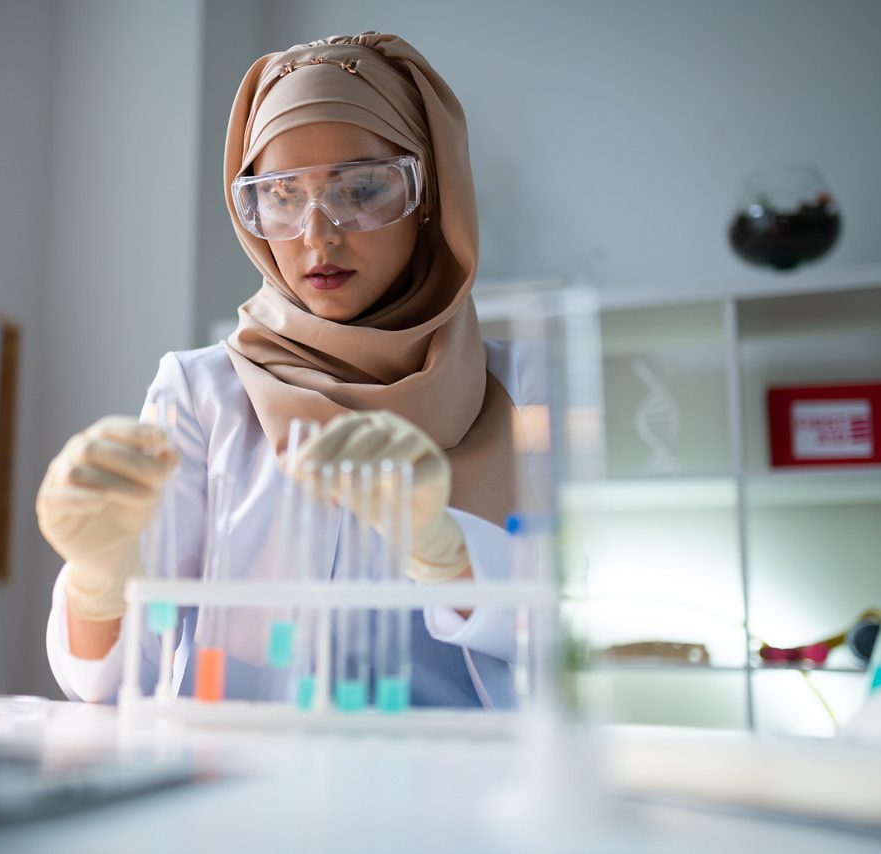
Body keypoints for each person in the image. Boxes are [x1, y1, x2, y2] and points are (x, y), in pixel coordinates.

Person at [37, 32, 528, 706]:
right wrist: (97, 575)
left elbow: (584, 635)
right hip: (241, 790)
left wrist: (448, 551)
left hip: (462, 793)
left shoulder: (524, 388)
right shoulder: (203, 394)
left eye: (361, 189)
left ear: (429, 195)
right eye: (281, 196)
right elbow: (112, 680)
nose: (318, 234)